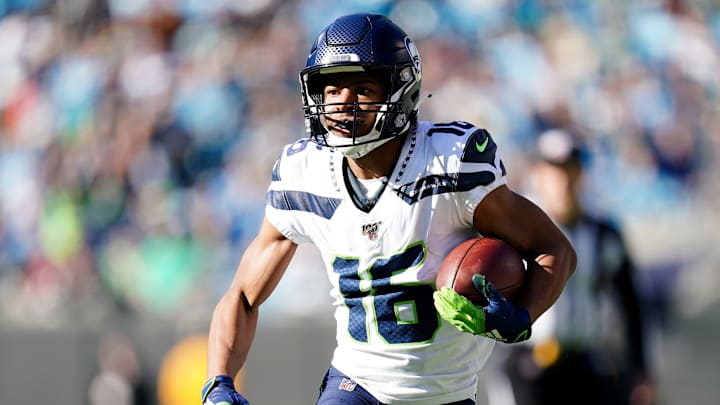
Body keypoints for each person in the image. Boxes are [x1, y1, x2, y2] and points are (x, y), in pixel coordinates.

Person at [201, 13, 576, 405]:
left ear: (402, 91)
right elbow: (243, 295)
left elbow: (555, 249)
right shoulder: (303, 173)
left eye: (361, 88)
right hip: (356, 386)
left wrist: (522, 316)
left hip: (446, 394)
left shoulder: (448, 164)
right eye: (331, 90)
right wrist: (219, 381)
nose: (342, 105)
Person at [497, 128, 654, 405]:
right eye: (554, 171)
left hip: (589, 363)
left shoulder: (605, 235)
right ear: (538, 174)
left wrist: (640, 369)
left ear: (582, 173)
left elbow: (631, 305)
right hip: (532, 363)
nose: (562, 181)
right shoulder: (514, 233)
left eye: (569, 170)